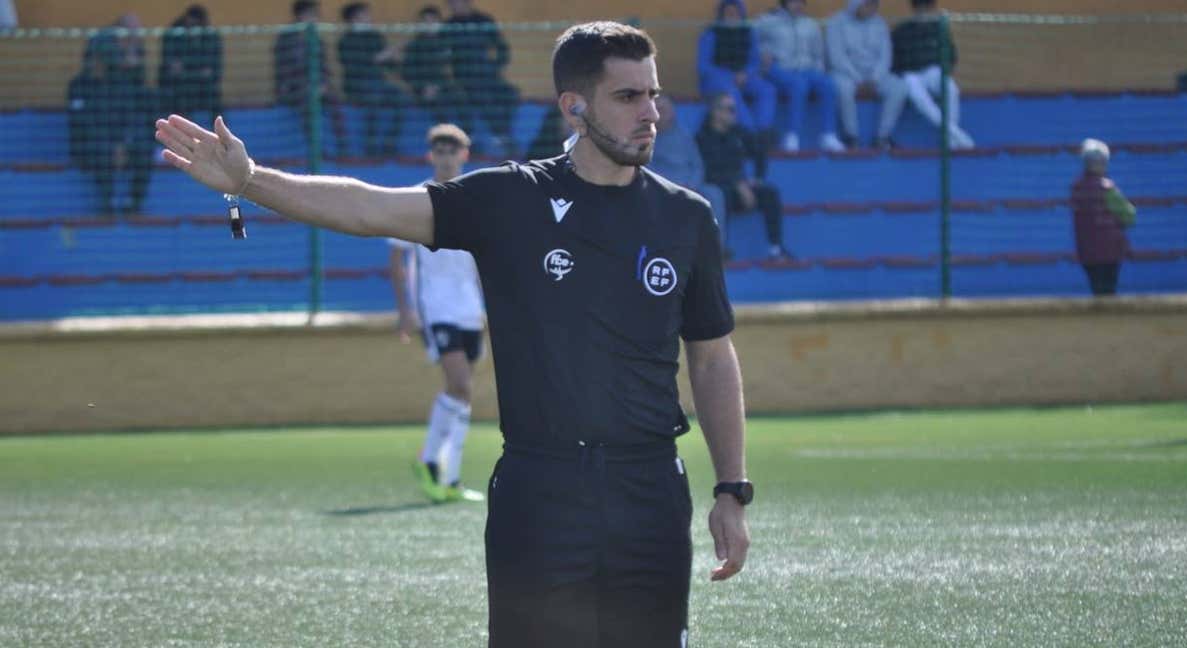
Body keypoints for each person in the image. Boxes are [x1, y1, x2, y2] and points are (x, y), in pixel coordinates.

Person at [155, 20, 751, 647]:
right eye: (628, 97)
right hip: (540, 489)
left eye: (653, 95)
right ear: (574, 107)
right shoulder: (511, 199)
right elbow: (368, 206)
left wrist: (732, 490)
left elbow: (712, 360)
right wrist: (250, 181)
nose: (650, 112)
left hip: (650, 489)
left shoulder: (687, 217)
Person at [389, 124, 486, 503]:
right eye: (439, 151)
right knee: (460, 383)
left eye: (453, 151)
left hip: (469, 307)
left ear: (464, 155)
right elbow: (398, 257)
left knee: (461, 392)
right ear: (431, 157)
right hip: (437, 306)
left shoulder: (476, 197)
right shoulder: (416, 198)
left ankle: (447, 475)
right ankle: (433, 464)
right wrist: (406, 310)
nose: (446, 157)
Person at [697, 93, 790, 261]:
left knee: (770, 193)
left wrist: (757, 178)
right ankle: (720, 249)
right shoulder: (702, 138)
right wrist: (737, 185)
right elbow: (708, 172)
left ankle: (776, 249)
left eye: (735, 110)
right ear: (716, 112)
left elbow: (759, 151)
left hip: (742, 187)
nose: (735, 114)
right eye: (730, 110)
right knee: (719, 196)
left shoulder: (738, 132)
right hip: (721, 189)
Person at [69, 38, 156, 215]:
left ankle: (134, 204)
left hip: (119, 142)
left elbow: (128, 117)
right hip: (90, 145)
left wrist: (122, 144)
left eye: (100, 59)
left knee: (144, 152)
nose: (96, 64)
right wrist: (111, 145)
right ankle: (106, 204)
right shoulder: (78, 85)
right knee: (100, 151)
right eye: (93, 59)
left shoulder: (119, 85)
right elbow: (82, 124)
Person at [755, 0, 845, 153]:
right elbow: (752, 40)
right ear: (784, 3)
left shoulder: (811, 25)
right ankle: (792, 135)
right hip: (780, 69)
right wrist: (762, 54)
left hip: (806, 69)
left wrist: (818, 70)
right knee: (799, 84)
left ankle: (828, 134)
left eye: (801, 2)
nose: (798, 6)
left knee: (828, 83)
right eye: (794, 2)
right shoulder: (768, 22)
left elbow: (818, 54)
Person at [648, 95, 730, 257]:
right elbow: (647, 169)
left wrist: (692, 184)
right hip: (664, 187)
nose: (662, 114)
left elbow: (697, 165)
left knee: (715, 193)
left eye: (666, 110)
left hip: (691, 185)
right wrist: (674, 186)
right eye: (659, 110)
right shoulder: (646, 137)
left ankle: (717, 249)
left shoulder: (684, 135)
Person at [891, 0, 974, 150]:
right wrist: (904, 72)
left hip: (933, 71)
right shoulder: (901, 31)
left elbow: (951, 55)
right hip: (911, 74)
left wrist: (944, 69)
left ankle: (950, 139)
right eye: (920, 7)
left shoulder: (938, 28)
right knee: (916, 92)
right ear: (914, 9)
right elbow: (894, 61)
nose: (923, 11)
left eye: (926, 7)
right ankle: (954, 132)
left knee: (951, 89)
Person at [826, 0, 908, 149]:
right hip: (846, 73)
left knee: (899, 87)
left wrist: (875, 79)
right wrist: (857, 79)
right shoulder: (836, 23)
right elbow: (837, 56)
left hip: (875, 76)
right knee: (843, 89)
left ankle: (882, 137)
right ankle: (851, 136)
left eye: (875, 4)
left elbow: (885, 55)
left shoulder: (880, 23)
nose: (872, 8)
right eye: (868, 4)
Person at [698, 0, 776, 153]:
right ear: (722, 14)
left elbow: (755, 61)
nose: (732, 17)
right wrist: (729, 76)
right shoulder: (710, 34)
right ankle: (749, 133)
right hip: (717, 79)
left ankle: (763, 131)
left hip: (745, 76)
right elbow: (703, 66)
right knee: (731, 93)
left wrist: (746, 73)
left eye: (735, 13)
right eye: (729, 13)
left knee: (767, 90)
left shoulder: (749, 33)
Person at [273, 0, 348, 156]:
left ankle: (343, 149)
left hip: (318, 86)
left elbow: (324, 67)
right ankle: (317, 151)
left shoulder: (317, 39)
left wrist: (324, 84)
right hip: (294, 89)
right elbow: (283, 70)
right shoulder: (286, 38)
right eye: (312, 14)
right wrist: (305, 86)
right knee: (308, 105)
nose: (316, 18)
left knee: (335, 104)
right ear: (301, 15)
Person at [444, 0, 519, 154]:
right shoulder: (449, 25)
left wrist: (495, 67)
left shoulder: (484, 20)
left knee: (511, 94)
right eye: (451, 3)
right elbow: (442, 54)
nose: (455, 6)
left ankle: (502, 137)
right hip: (462, 78)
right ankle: (475, 141)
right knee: (480, 96)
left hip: (487, 74)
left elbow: (502, 48)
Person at [337, 2, 405, 157]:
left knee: (401, 99)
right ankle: (371, 147)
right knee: (374, 98)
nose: (368, 18)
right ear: (353, 19)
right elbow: (354, 67)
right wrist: (378, 58)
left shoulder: (375, 36)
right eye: (363, 15)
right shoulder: (345, 40)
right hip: (356, 86)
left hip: (379, 84)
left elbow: (388, 65)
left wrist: (395, 58)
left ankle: (390, 143)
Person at [1069, 138, 1135, 297]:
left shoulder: (1076, 188)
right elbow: (1129, 216)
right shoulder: (1108, 189)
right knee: (1108, 291)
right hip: (1111, 252)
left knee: (1097, 290)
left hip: (1086, 253)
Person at [401, 5, 466, 128]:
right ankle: (445, 136)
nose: (429, 24)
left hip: (443, 85)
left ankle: (468, 136)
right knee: (439, 103)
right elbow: (407, 73)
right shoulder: (415, 45)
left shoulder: (446, 42)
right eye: (426, 20)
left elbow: (456, 65)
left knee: (462, 98)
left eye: (433, 20)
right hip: (423, 89)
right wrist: (422, 87)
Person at [159, 5, 222, 117]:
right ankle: (184, 132)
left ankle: (220, 132)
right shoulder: (173, 34)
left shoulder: (210, 36)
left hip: (202, 85)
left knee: (215, 100)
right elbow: (172, 68)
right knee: (181, 99)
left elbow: (212, 69)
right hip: (179, 84)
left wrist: (192, 69)